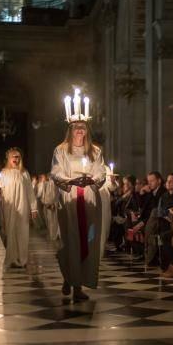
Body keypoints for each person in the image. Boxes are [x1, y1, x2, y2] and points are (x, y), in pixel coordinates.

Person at [51, 120, 106, 301]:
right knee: (68, 241)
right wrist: (71, 181)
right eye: (77, 127)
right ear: (70, 130)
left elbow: (101, 172)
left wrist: (92, 180)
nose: (80, 130)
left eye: (83, 127)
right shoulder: (61, 150)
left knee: (88, 241)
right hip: (70, 200)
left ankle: (79, 285)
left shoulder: (95, 151)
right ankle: (69, 277)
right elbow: (56, 172)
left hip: (89, 199)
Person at [0, 147, 38, 269]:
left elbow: (30, 191)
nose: (15, 158)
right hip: (8, 206)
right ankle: (12, 259)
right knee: (9, 231)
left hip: (22, 205)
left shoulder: (24, 173)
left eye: (18, 156)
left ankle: (22, 259)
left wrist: (33, 208)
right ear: (8, 158)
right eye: (13, 156)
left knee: (22, 231)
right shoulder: (3, 173)